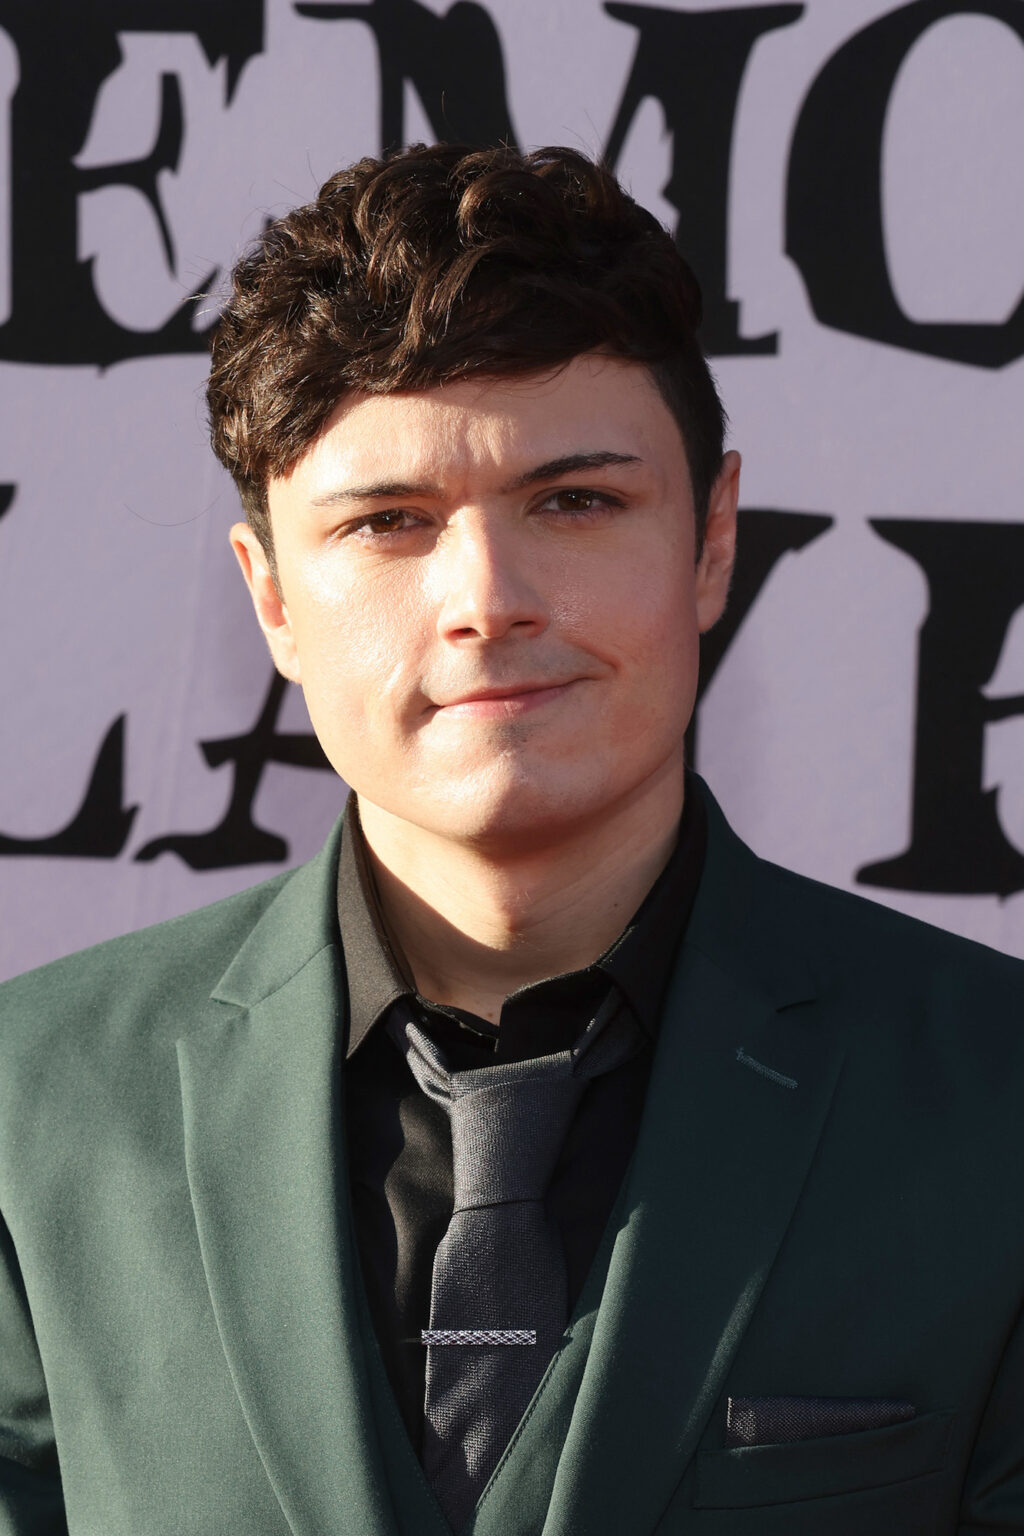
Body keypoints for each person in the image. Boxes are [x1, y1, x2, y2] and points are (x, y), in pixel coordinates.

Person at [1, 143, 1022, 1536]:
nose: (488, 598)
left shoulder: (994, 1097)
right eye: (388, 524)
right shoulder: (29, 1109)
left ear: (714, 539)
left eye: (576, 501)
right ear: (271, 599)